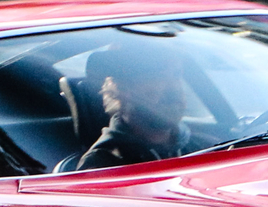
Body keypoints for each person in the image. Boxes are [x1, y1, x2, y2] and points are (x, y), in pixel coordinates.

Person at [69, 45, 204, 170]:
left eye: (176, 75)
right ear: (122, 88)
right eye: (157, 77)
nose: (174, 88)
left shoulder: (203, 146)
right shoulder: (103, 166)